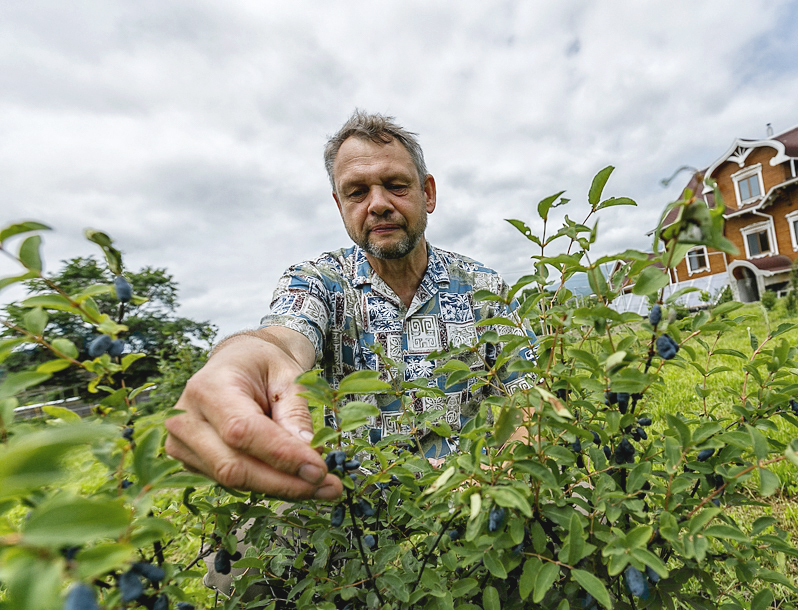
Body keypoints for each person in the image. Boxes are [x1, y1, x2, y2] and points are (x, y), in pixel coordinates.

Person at [165, 111, 533, 500]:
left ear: (428, 194)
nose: (377, 204)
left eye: (395, 185)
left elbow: (530, 398)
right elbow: (285, 336)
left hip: (466, 497)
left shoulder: (484, 287)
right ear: (339, 205)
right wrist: (239, 358)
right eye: (357, 192)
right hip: (349, 503)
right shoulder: (318, 281)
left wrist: (498, 474)